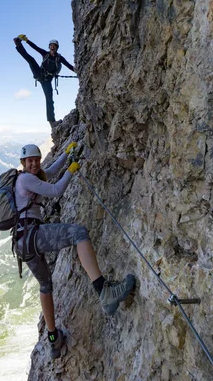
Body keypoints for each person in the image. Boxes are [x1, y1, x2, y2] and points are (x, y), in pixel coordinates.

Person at [15, 143, 136, 360]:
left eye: (36, 159)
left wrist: (66, 154)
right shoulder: (25, 179)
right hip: (32, 235)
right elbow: (55, 190)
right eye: (29, 160)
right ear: (23, 163)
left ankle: (53, 339)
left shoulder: (30, 176)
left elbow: (49, 173)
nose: (33, 163)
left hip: (22, 242)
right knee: (79, 233)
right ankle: (104, 292)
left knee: (45, 285)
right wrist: (72, 170)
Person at [13, 35, 75, 128]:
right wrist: (27, 40)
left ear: (57, 48)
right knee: (31, 60)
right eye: (51, 45)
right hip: (39, 74)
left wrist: (78, 70)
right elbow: (35, 47)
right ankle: (18, 44)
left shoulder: (59, 58)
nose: (52, 47)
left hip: (47, 81)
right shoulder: (45, 54)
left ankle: (52, 122)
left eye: (54, 45)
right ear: (49, 47)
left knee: (49, 99)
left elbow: (69, 66)